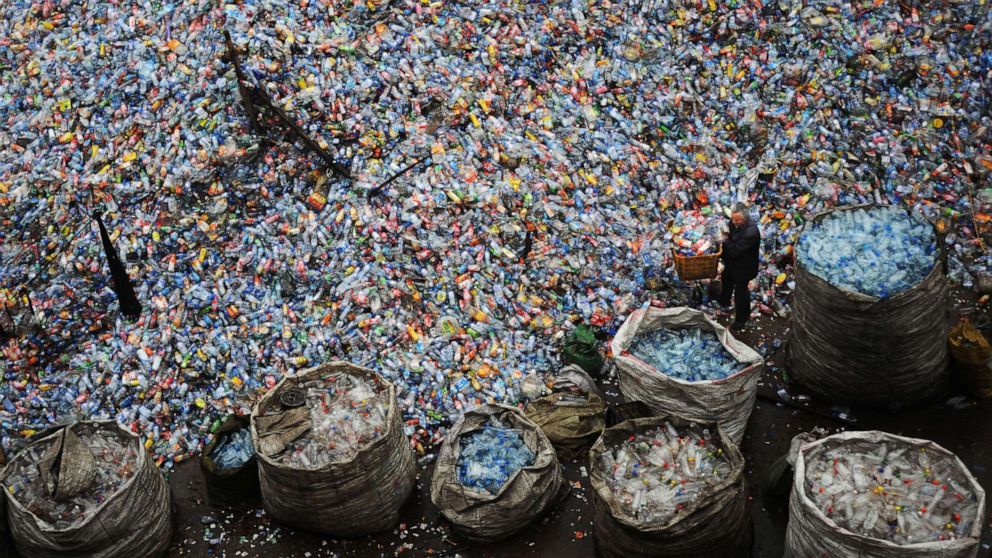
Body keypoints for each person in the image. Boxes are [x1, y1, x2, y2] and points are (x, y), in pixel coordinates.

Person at [719, 204, 761, 331]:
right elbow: (728, 231)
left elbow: (735, 251)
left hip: (745, 268)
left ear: (745, 218)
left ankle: (741, 320)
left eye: (737, 220)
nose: (734, 222)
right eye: (733, 219)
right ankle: (724, 302)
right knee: (726, 280)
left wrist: (723, 242)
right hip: (732, 264)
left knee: (741, 294)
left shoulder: (751, 232)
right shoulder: (733, 224)